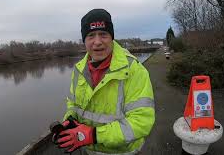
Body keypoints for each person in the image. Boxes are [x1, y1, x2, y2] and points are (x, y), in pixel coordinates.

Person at [55, 9, 155, 155]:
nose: (97, 42)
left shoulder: (134, 70)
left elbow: (141, 121)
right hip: (87, 151)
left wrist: (94, 135)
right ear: (84, 41)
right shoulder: (78, 70)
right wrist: (70, 119)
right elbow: (73, 104)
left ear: (111, 37)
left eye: (103, 34)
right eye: (90, 36)